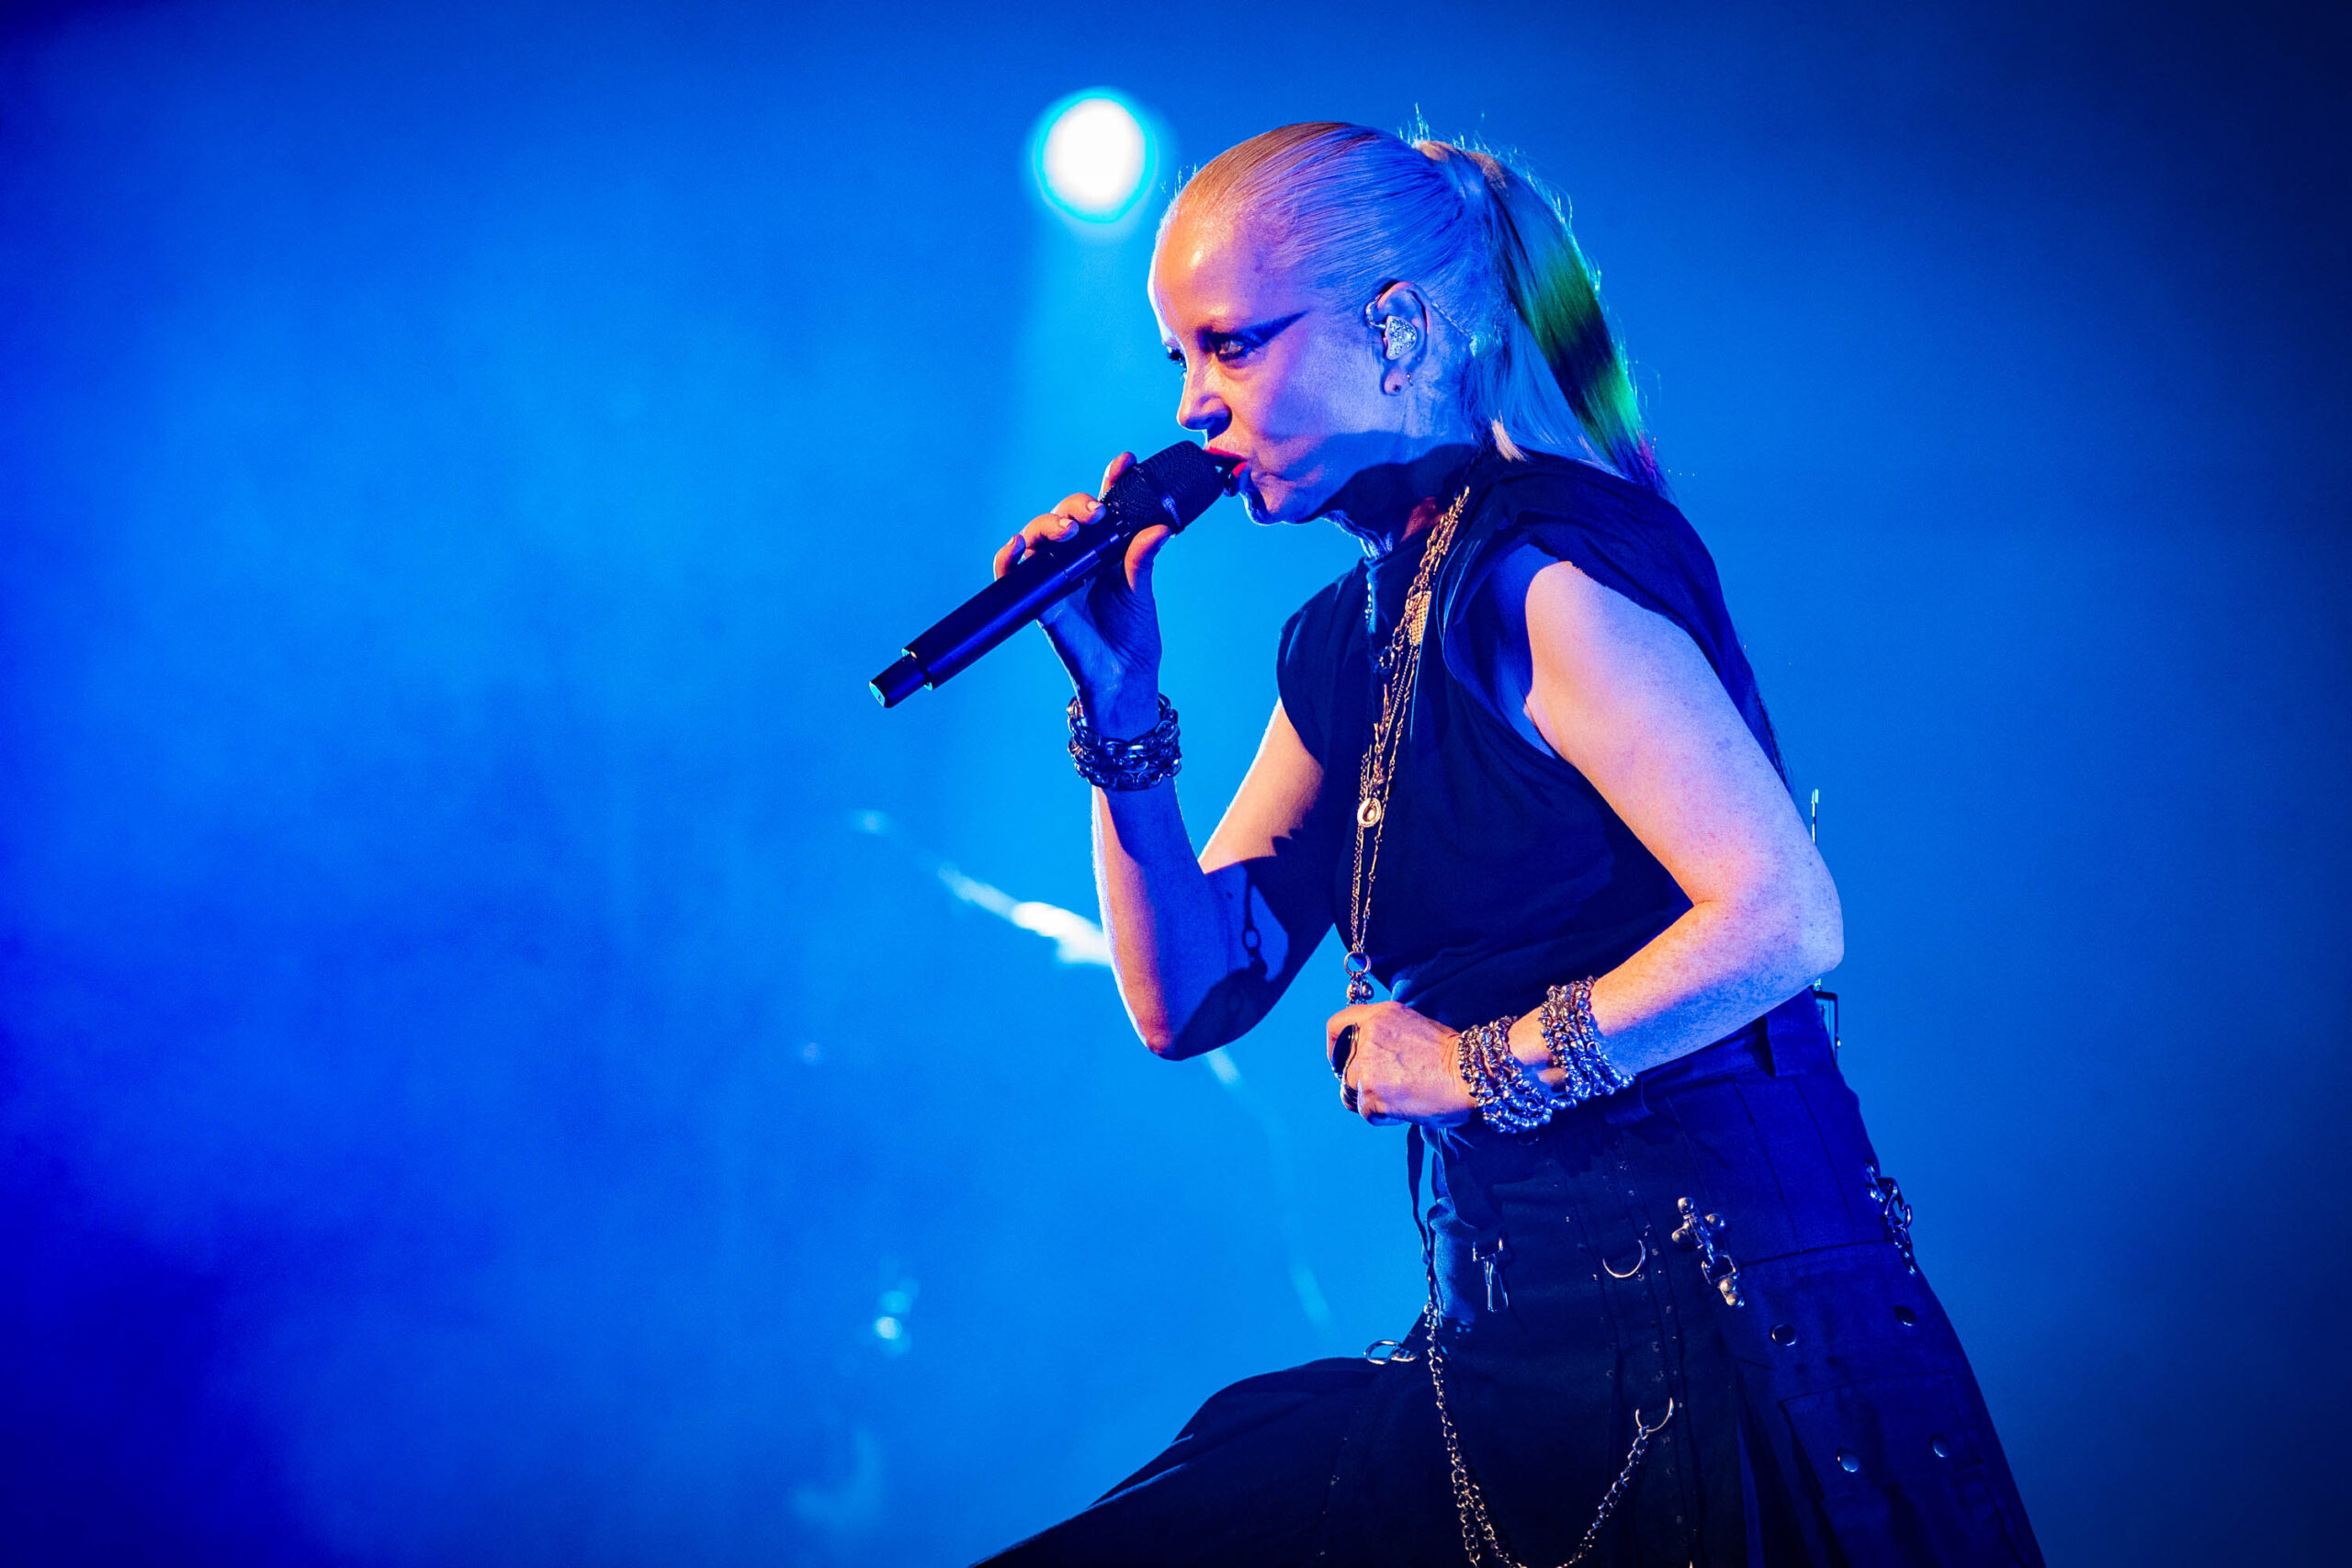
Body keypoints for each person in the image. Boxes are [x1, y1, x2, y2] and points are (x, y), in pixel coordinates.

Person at [976, 122, 2041, 1568]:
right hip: (1513, 1350)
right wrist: (1120, 713)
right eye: (1179, 359)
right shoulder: (1348, 636)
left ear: (1398, 326)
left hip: (1723, 1337)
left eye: (1230, 346)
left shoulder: (1534, 573)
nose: (1193, 407)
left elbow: (1782, 917)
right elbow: (1191, 996)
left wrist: (1475, 1066)